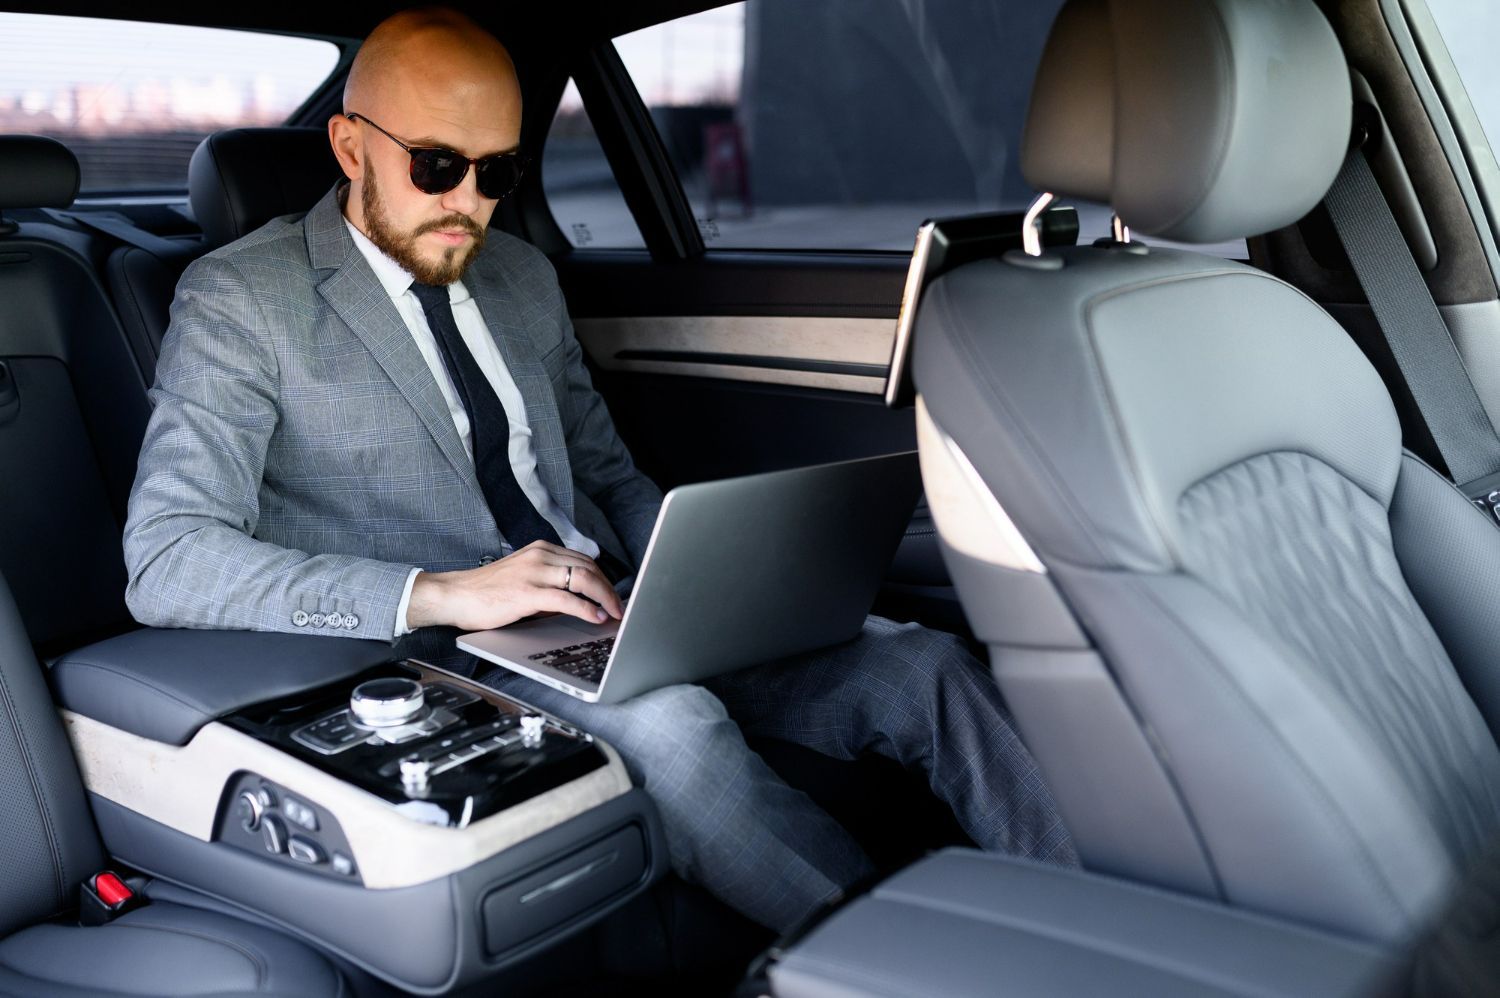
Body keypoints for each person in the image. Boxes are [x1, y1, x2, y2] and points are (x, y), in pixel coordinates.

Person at [123, 7, 1073, 933]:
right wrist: (445, 594)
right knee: (676, 734)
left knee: (925, 667)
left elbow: (607, 472)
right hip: (453, 654)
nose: (470, 204)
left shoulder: (522, 278)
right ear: (347, 146)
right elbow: (166, 557)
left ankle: (1112, 925)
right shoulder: (244, 298)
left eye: (498, 172)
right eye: (438, 166)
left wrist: (696, 577)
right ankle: (904, 963)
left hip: (615, 609)